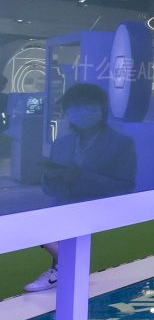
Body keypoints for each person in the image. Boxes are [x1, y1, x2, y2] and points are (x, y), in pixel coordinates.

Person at [25, 83, 138, 292]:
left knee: (54, 225)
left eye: (88, 105)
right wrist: (51, 178)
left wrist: (80, 177)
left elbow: (125, 186)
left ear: (101, 109)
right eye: (75, 105)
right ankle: (66, 267)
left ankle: (63, 268)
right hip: (63, 204)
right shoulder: (62, 143)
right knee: (29, 224)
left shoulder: (121, 143)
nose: (81, 110)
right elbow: (49, 190)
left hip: (99, 206)